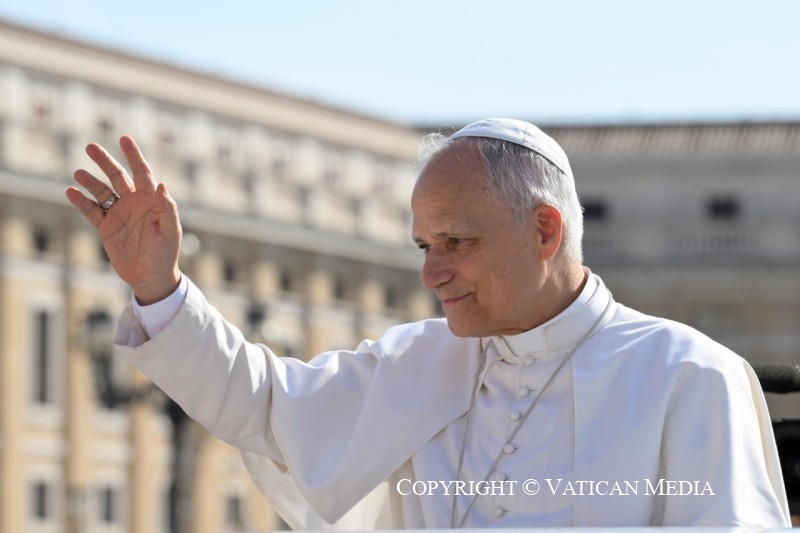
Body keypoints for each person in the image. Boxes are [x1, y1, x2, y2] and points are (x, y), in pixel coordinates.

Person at [66, 118, 790, 529]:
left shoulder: (686, 374)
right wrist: (158, 288)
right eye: (424, 246)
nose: (431, 273)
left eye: (456, 243)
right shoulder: (417, 362)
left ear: (544, 230)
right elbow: (262, 402)